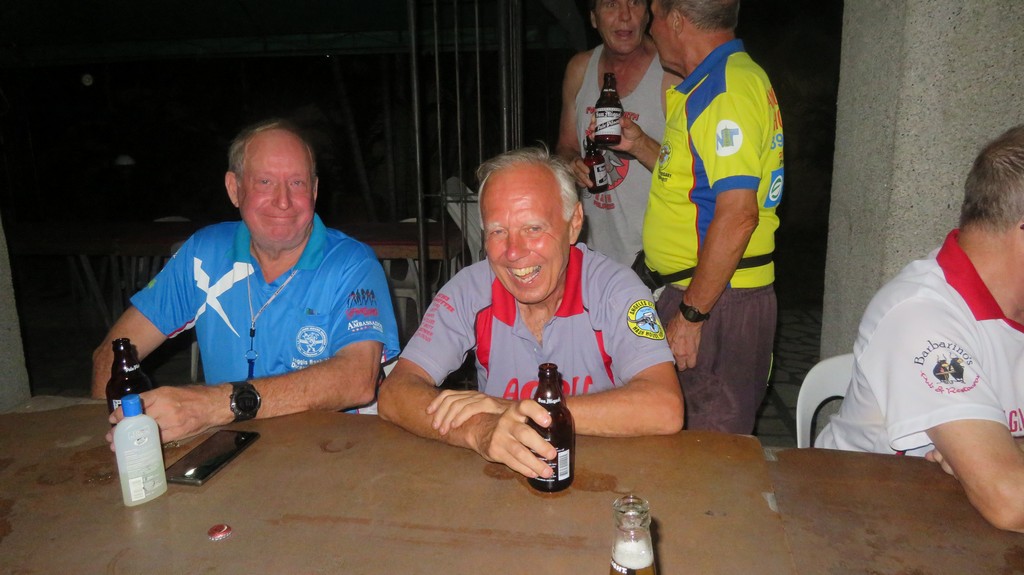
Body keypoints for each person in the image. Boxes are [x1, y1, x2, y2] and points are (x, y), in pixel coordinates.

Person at [377, 147, 683, 481]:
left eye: (533, 228)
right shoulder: (469, 290)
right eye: (497, 231)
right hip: (502, 480)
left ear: (574, 223)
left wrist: (513, 409)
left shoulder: (614, 290)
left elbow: (665, 407)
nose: (513, 252)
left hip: (604, 479)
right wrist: (479, 430)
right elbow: (395, 392)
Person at [91, 118, 401, 443]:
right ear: (234, 188)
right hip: (232, 450)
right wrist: (119, 450)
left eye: (297, 183)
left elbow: (357, 378)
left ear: (314, 190)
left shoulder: (351, 263)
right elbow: (110, 356)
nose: (283, 200)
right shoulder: (204, 255)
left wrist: (216, 404)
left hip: (330, 450)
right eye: (265, 182)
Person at [816, 125, 1024, 533]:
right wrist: (1000, 465)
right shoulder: (920, 315)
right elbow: (1011, 501)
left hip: (952, 528)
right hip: (863, 531)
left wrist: (1006, 454)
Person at [609, 0, 783, 434]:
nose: (650, 29)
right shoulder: (720, 80)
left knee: (708, 450)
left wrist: (691, 316)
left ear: (676, 21)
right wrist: (641, 145)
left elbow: (738, 214)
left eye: (653, 16)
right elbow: (700, 182)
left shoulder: (723, 91)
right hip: (708, 293)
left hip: (715, 299)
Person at [555, 0, 680, 267]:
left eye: (634, 3)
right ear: (593, 18)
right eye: (611, 4)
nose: (625, 16)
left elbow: (694, 173)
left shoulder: (672, 73)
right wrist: (572, 164)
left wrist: (641, 145)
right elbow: (565, 146)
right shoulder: (580, 69)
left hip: (655, 261)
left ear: (647, 15)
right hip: (591, 256)